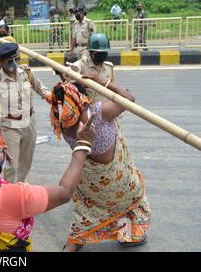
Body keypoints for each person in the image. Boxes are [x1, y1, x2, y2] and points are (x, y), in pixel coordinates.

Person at [50, 80, 151, 252]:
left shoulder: (63, 124)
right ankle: (127, 235)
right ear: (82, 98)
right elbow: (128, 97)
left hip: (90, 184)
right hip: (117, 180)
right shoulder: (99, 112)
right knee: (128, 203)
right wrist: (99, 80)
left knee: (84, 210)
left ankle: (73, 243)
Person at [0, 43, 53, 183]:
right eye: (10, 61)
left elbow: (40, 87)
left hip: (29, 121)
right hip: (10, 126)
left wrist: (49, 97)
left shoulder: (26, 72)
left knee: (26, 160)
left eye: (17, 59)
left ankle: (20, 185)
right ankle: (10, 191)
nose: (14, 63)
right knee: (11, 164)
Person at [67, 33, 115, 104]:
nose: (102, 54)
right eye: (98, 52)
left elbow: (112, 89)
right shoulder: (81, 65)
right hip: (87, 109)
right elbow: (70, 84)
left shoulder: (109, 67)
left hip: (104, 109)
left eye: (104, 51)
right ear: (91, 52)